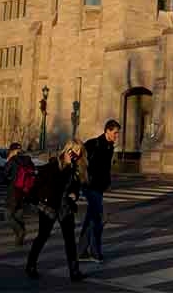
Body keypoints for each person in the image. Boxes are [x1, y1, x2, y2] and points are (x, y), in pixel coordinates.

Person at [25, 140, 88, 282]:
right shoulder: (54, 165)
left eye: (79, 151)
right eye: (74, 151)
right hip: (50, 206)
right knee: (43, 236)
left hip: (65, 206)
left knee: (70, 240)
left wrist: (74, 194)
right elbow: (52, 184)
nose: (77, 154)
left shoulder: (76, 167)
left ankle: (74, 271)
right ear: (67, 150)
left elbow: (75, 187)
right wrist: (67, 166)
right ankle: (31, 265)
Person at [78, 119, 121, 263]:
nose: (116, 136)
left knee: (91, 218)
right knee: (99, 219)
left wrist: (107, 182)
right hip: (90, 186)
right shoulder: (93, 143)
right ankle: (95, 252)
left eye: (117, 133)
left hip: (99, 186)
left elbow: (106, 168)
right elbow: (80, 160)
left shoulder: (110, 146)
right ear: (107, 131)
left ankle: (82, 251)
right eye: (115, 133)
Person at [4, 142, 35, 245]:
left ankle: (20, 232)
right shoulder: (28, 159)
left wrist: (8, 160)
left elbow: (5, 174)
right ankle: (19, 238)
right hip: (25, 191)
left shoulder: (12, 160)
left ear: (12, 151)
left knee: (8, 216)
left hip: (14, 191)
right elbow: (33, 172)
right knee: (19, 214)